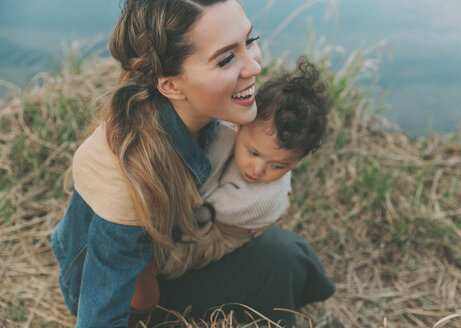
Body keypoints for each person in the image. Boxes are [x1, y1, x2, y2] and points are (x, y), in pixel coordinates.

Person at [51, 1, 335, 327]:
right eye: (226, 58)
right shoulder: (127, 171)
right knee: (282, 258)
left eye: (250, 40)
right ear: (170, 85)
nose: (254, 67)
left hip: (174, 255)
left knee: (289, 254)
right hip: (133, 293)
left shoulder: (213, 112)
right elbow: (100, 309)